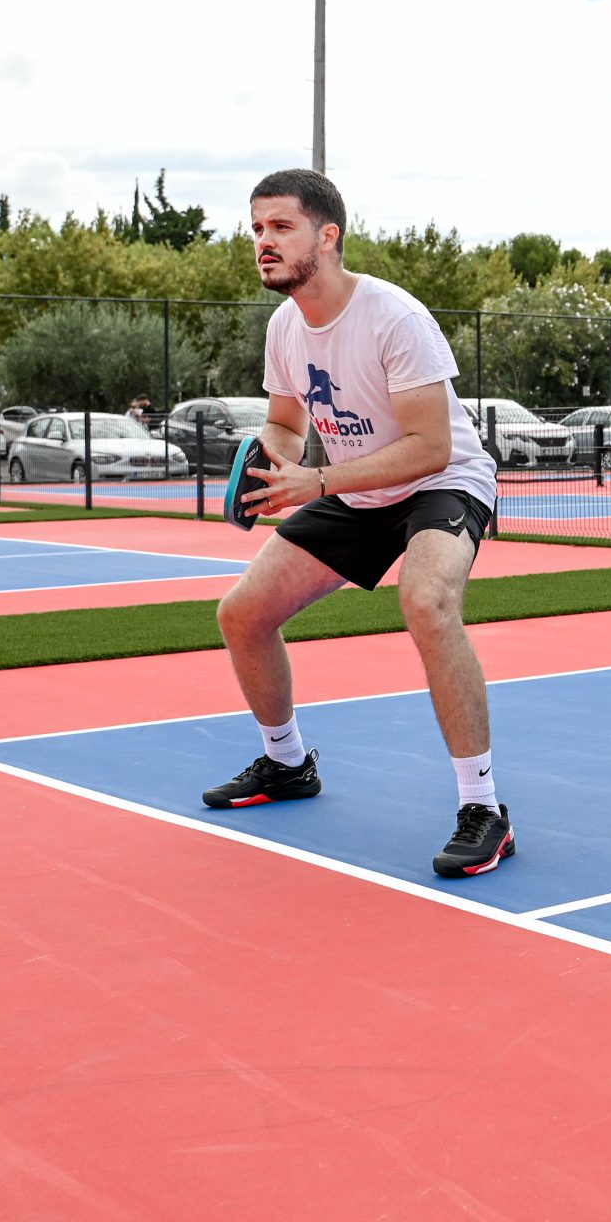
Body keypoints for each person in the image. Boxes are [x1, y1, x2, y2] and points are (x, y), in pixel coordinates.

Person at [202, 169, 516, 879]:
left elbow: (431, 447)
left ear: (327, 236)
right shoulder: (285, 327)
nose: (263, 242)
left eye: (281, 227)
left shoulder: (394, 317)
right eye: (257, 229)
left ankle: (485, 809)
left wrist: (315, 481)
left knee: (427, 601)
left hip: (441, 482)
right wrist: (268, 461)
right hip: (358, 490)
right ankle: (287, 763)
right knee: (242, 613)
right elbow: (287, 424)